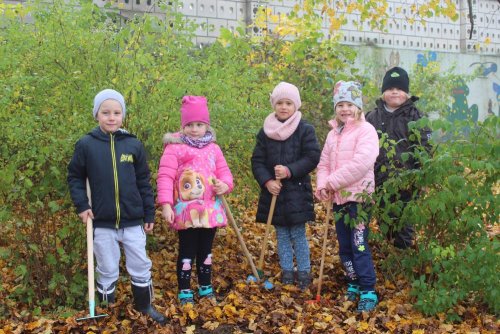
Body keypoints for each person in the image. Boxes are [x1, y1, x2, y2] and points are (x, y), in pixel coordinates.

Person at [67, 89, 167, 325]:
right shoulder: (86, 145)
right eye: (105, 112)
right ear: (97, 115)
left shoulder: (132, 144)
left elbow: (143, 180)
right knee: (108, 267)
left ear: (122, 115)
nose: (111, 117)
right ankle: (106, 309)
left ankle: (144, 306)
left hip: (133, 220)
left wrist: (149, 212)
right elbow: (75, 177)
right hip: (101, 221)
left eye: (116, 112)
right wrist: (82, 205)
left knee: (140, 264)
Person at [157, 96, 234, 306]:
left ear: (206, 125)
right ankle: (184, 290)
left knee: (205, 250)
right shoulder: (175, 147)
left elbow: (225, 174)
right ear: (183, 126)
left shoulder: (213, 148)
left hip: (210, 209)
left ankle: (205, 286)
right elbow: (165, 176)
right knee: (187, 250)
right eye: (189, 125)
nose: (194, 129)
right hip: (185, 211)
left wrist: (225, 185)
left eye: (199, 124)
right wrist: (165, 204)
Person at [316, 81, 379, 312]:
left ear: (358, 107)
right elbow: (324, 163)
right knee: (344, 245)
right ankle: (353, 282)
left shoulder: (366, 131)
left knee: (358, 244)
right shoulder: (333, 134)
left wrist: (332, 181)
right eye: (340, 104)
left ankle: (368, 289)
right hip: (339, 199)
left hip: (359, 199)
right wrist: (322, 184)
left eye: (350, 104)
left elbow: (361, 163)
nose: (345, 109)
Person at [251, 82, 321, 290]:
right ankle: (287, 271)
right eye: (280, 102)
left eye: (288, 103)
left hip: (297, 192)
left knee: (298, 233)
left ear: (296, 105)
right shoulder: (266, 131)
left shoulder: (305, 129)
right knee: (281, 234)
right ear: (274, 104)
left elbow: (312, 157)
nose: (284, 107)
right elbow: (257, 161)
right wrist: (267, 181)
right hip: (275, 194)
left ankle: (304, 271)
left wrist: (290, 170)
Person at [365, 67, 432, 249]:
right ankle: (391, 252)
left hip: (407, 182)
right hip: (379, 180)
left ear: (407, 93)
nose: (395, 91)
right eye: (390, 88)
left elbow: (425, 148)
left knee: (405, 222)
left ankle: (403, 255)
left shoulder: (416, 116)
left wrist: (422, 176)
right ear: (383, 92)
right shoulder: (372, 117)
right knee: (386, 219)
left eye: (400, 88)